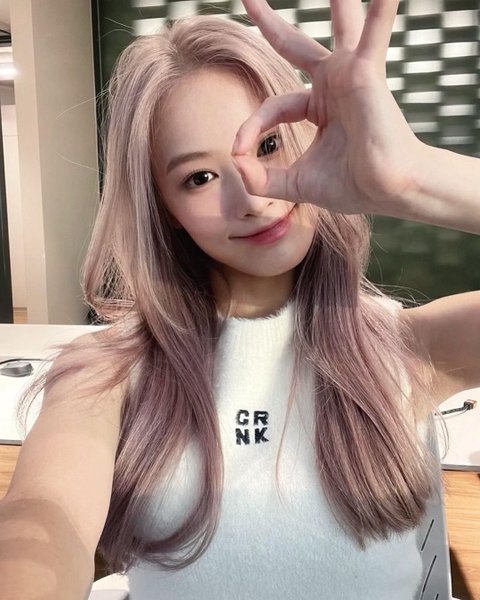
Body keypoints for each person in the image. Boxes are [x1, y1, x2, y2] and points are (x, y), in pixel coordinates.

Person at [1, 1, 478, 599]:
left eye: (269, 144)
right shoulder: (106, 376)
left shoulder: (409, 348)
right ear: (165, 210)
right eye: (198, 178)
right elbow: (42, 520)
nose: (251, 199)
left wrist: (415, 179)